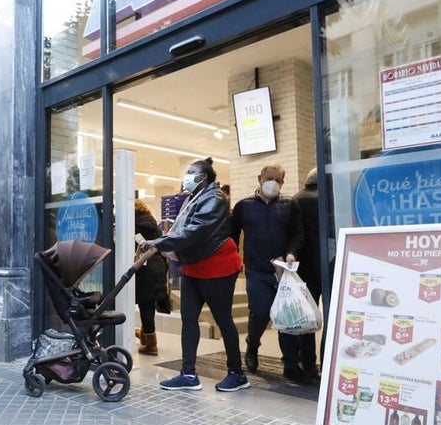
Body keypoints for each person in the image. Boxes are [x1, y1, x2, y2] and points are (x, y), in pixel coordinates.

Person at [139, 158, 248, 392]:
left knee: (223, 320)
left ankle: (237, 373)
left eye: (191, 172)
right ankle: (188, 374)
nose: (186, 176)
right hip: (194, 265)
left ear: (204, 177)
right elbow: (181, 229)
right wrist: (163, 243)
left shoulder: (215, 198)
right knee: (189, 320)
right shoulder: (192, 198)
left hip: (217, 266)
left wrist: (159, 243)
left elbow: (195, 230)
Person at [229, 164, 306, 381]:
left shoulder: (290, 204)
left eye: (278, 180)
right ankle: (252, 346)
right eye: (269, 178)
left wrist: (292, 253)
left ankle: (291, 364)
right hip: (257, 270)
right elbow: (231, 237)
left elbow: (298, 234)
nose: (273, 183)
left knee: (287, 316)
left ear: (283, 182)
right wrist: (234, 263)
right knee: (260, 313)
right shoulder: (244, 206)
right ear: (260, 179)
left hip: (284, 271)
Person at [290, 167, 324, 377]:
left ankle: (308, 362)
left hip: (302, 267)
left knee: (306, 317)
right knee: (328, 316)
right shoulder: (327, 198)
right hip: (325, 265)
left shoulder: (295, 199)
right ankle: (327, 360)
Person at [132, 199, 169, 356]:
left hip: (145, 267)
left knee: (145, 305)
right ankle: (146, 335)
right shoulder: (153, 223)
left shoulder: (134, 225)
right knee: (149, 304)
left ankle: (151, 343)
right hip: (158, 265)